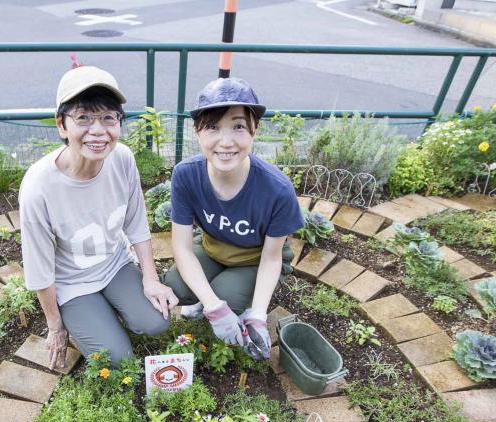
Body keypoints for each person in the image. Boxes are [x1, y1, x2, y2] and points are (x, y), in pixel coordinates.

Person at [19, 64, 178, 369]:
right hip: (72, 282)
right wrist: (55, 326)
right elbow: (39, 270)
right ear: (62, 125)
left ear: (119, 123)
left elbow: (136, 223)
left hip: (114, 265)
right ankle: (88, 316)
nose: (97, 131)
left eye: (108, 118)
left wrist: (151, 279)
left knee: (158, 323)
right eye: (83, 118)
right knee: (117, 359)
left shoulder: (122, 159)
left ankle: (108, 311)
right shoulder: (39, 188)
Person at [163, 77, 304, 360]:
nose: (226, 142)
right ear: (198, 130)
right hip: (214, 249)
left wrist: (258, 316)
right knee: (177, 286)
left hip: (254, 259)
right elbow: (181, 247)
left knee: (227, 294)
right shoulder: (186, 174)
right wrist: (213, 306)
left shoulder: (276, 189)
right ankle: (211, 300)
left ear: (254, 129)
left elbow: (272, 258)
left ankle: (236, 301)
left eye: (238, 126)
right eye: (213, 127)